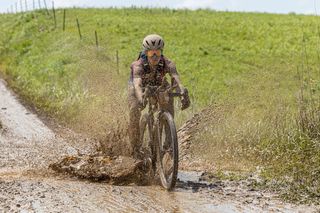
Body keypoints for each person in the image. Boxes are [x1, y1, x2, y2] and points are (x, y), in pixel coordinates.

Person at [128, 34, 190, 158]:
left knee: (168, 99)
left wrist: (182, 91)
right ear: (146, 52)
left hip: (158, 83)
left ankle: (168, 144)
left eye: (158, 52)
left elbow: (176, 79)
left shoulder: (168, 63)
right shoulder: (138, 65)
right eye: (151, 53)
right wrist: (141, 99)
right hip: (138, 87)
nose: (155, 56)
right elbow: (137, 84)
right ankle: (135, 148)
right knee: (134, 109)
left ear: (161, 52)